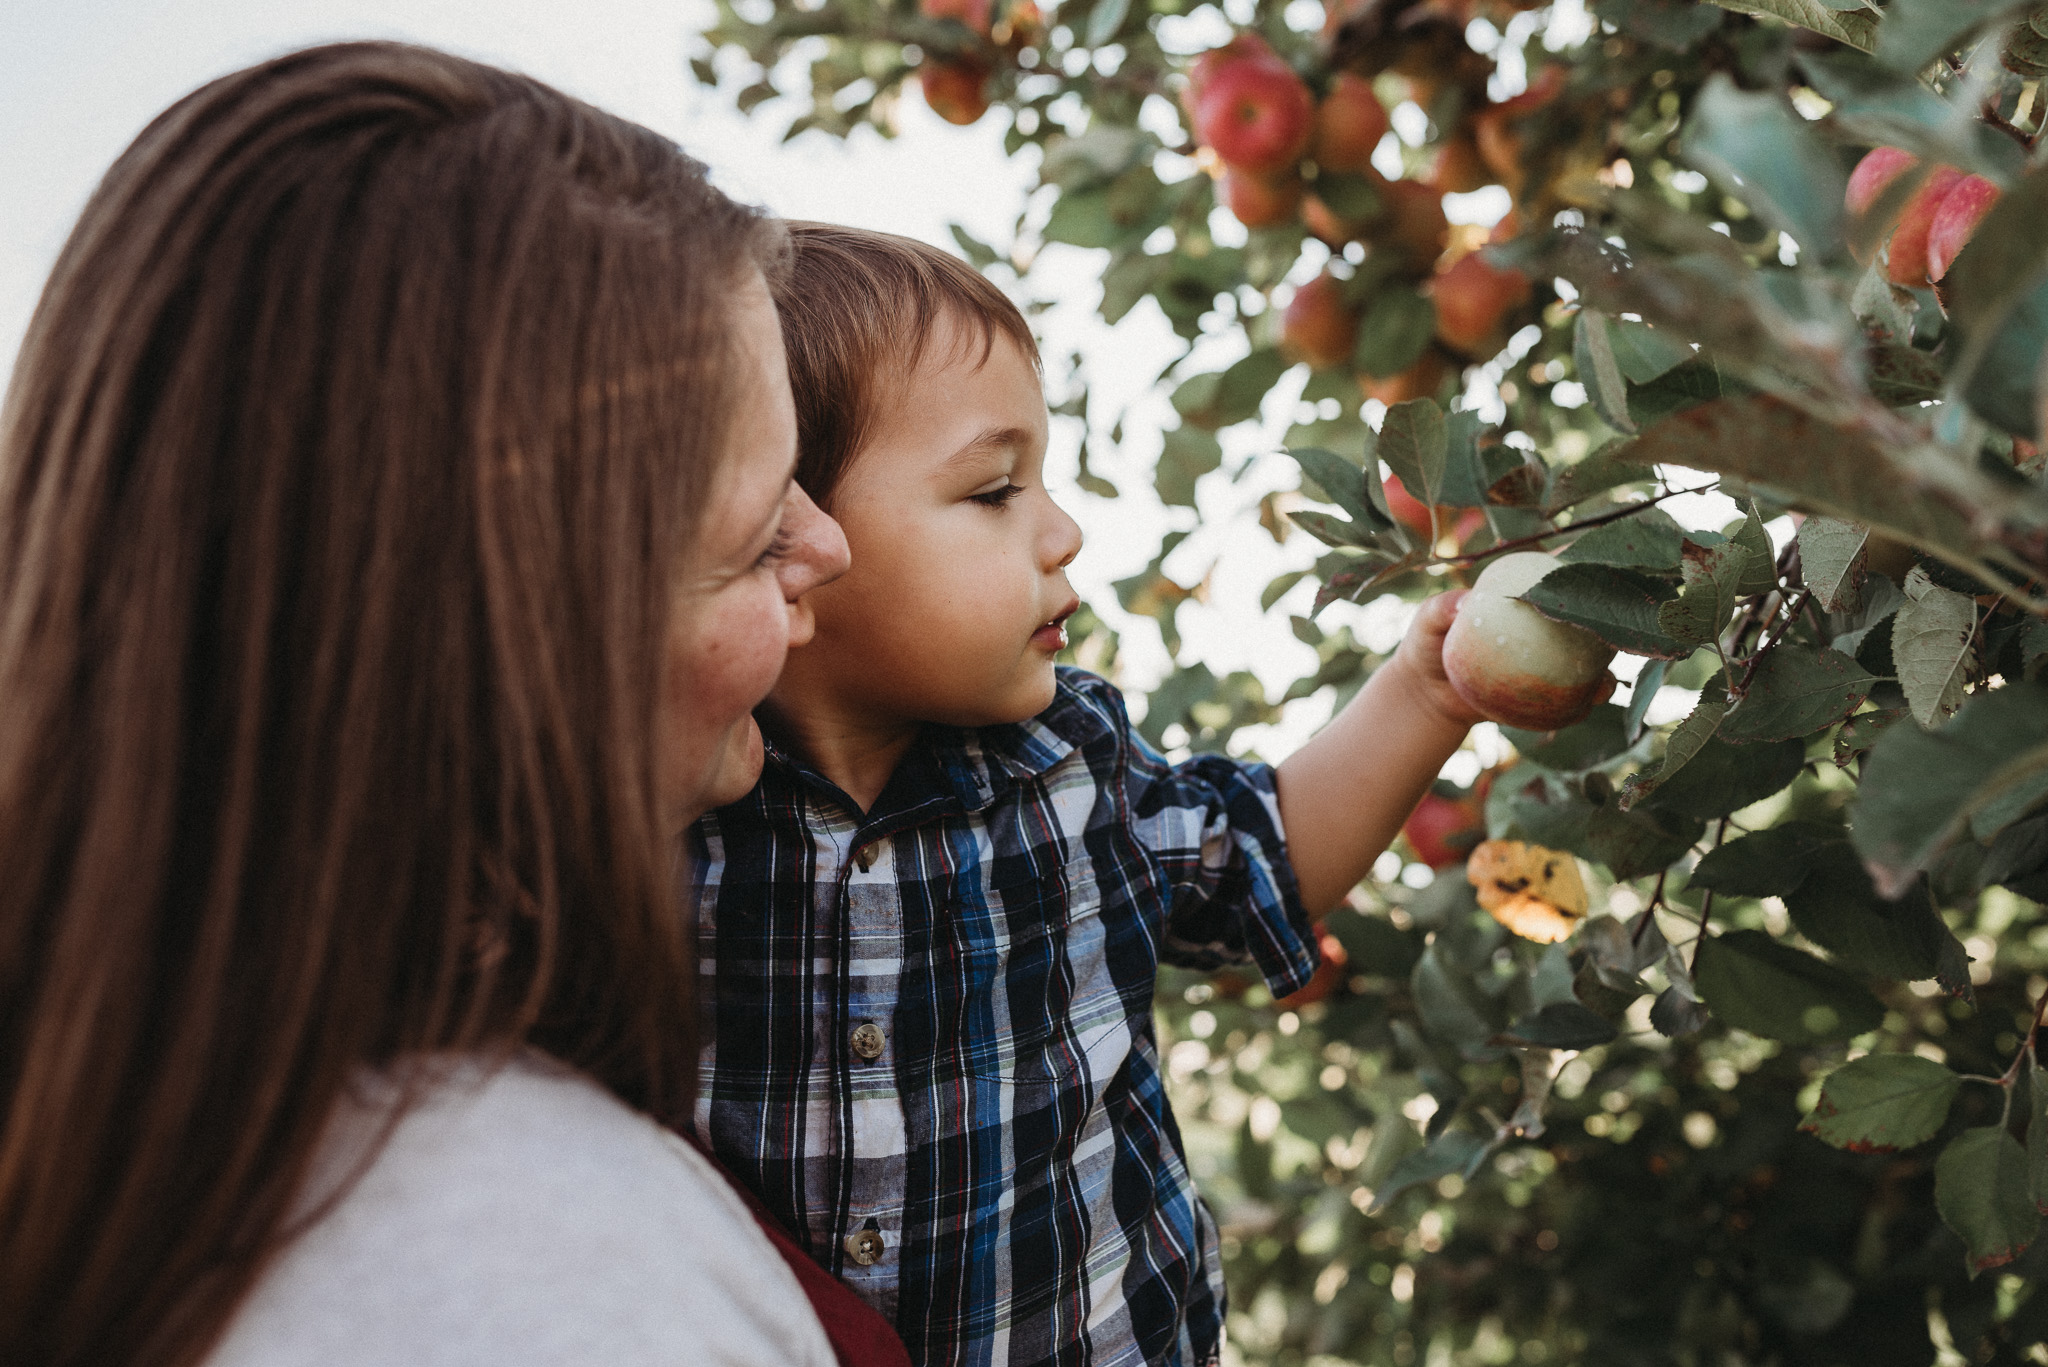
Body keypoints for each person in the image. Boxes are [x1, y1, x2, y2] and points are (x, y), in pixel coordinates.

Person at [0, 42, 870, 1367]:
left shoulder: (140, 1123)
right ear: (524, 644)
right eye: (756, 543)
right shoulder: (540, 1280)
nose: (832, 552)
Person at [687, 223, 1485, 1366]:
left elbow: (1259, 856)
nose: (1063, 531)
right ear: (783, 530)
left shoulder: (1067, 760)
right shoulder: (664, 806)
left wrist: (1425, 692)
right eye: (995, 489)